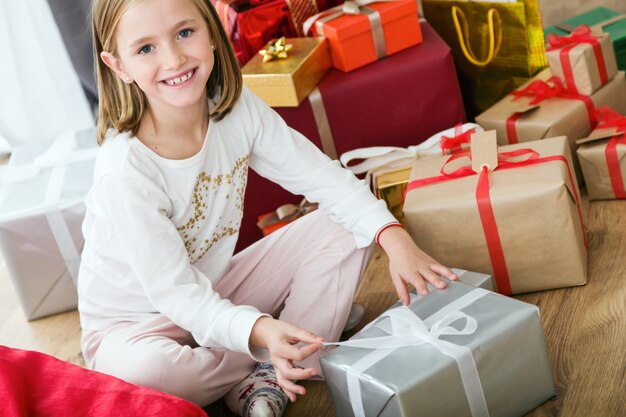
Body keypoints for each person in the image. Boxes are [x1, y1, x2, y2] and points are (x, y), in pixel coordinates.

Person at [80, 0, 458, 415]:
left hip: (217, 286)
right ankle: (284, 348)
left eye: (185, 33)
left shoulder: (235, 107)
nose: (173, 59)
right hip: (137, 327)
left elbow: (320, 177)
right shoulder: (125, 170)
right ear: (118, 66)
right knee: (148, 376)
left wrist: (394, 237)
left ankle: (275, 358)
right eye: (145, 49)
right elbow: (177, 295)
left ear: (211, 30)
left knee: (346, 227)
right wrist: (258, 328)